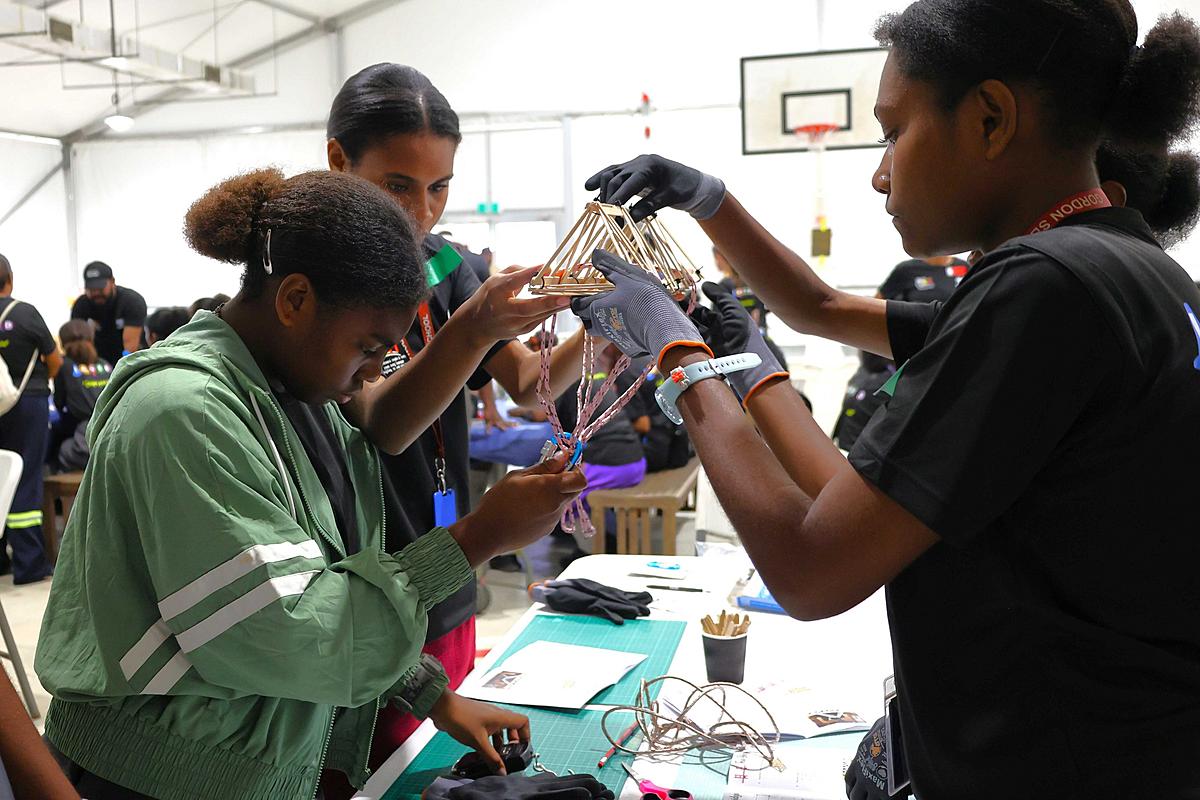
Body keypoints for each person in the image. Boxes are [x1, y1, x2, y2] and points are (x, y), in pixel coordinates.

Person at [574, 3, 1200, 797]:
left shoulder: (1043, 288)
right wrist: (710, 200)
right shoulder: (1131, 270)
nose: (880, 172)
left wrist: (679, 357)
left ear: (990, 117)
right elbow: (821, 310)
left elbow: (809, 568)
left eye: (892, 133)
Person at [35, 168, 586, 800]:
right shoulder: (185, 411)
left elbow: (316, 573)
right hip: (150, 780)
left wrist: (429, 695)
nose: (376, 372)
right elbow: (291, 630)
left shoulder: (299, 396)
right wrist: (475, 539)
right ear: (295, 301)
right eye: (369, 346)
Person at [323, 63, 589, 786]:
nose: (423, 212)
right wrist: (471, 328)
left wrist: (614, 328)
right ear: (338, 161)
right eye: (398, 186)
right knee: (383, 775)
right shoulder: (325, 282)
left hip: (450, 571)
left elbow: (533, 384)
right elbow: (380, 422)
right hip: (376, 581)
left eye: (439, 187)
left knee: (443, 768)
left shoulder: (446, 265)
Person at [831, 256, 964, 450]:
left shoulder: (964, 267)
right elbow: (874, 311)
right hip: (913, 362)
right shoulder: (906, 271)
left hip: (952, 360)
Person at [554, 344, 648, 560]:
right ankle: (609, 540)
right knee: (580, 490)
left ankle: (591, 552)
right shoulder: (593, 381)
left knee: (562, 495)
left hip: (615, 466)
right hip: (635, 463)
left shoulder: (569, 387)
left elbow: (559, 430)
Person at [0, 253, 60, 584]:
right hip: (27, 402)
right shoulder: (24, 313)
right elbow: (54, 361)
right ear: (9, 279)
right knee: (25, 477)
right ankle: (29, 563)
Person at [49, 320, 112, 473]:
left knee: (58, 446)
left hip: (84, 438)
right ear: (91, 339)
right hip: (112, 434)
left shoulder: (64, 366)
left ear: (62, 343)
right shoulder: (106, 365)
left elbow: (59, 403)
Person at [69, 261, 146, 365]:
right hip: (98, 357)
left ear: (112, 281)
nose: (96, 293)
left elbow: (130, 348)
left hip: (128, 357)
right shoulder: (81, 305)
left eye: (100, 288)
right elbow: (76, 343)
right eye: (91, 289)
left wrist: (121, 370)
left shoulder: (131, 302)